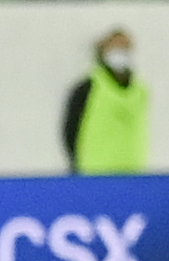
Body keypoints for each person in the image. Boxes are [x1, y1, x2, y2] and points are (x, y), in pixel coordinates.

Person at [63, 26, 149, 173]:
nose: (121, 53)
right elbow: (70, 130)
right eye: (116, 47)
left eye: (125, 47)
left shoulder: (140, 90)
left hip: (132, 173)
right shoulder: (89, 87)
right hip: (94, 173)